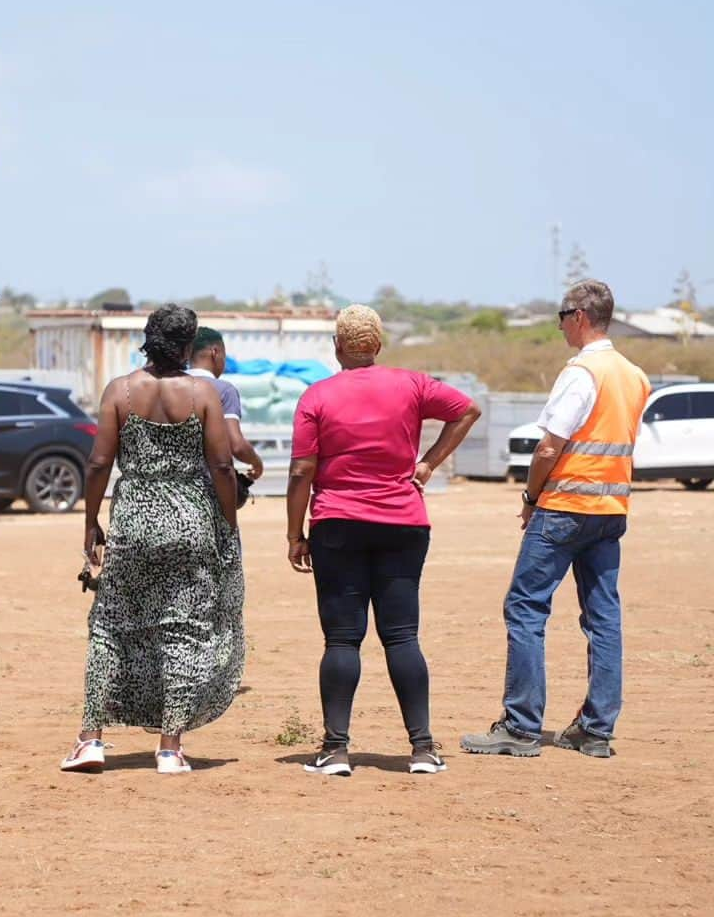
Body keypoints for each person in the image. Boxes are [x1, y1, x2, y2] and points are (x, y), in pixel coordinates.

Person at [286, 304, 480, 776]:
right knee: (402, 636)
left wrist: (296, 534)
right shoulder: (411, 384)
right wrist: (429, 462)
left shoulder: (318, 396)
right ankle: (422, 749)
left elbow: (301, 470)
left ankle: (335, 750)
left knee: (342, 640)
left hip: (338, 524)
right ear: (378, 346)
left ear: (337, 347)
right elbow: (467, 409)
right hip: (403, 523)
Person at [461, 280, 650, 759]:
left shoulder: (583, 372)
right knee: (603, 618)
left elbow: (550, 445)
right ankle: (596, 729)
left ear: (580, 317)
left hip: (565, 506)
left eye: (563, 315)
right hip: (610, 511)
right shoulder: (634, 375)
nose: (561, 324)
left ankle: (521, 725)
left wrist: (530, 495)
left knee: (525, 607)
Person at [60, 304, 245, 775]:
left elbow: (99, 463)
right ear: (188, 346)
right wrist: (228, 523)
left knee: (110, 626)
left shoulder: (120, 391)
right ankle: (170, 748)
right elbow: (223, 467)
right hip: (191, 522)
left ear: (146, 339)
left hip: (134, 522)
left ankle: (90, 740)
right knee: (183, 629)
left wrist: (90, 522)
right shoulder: (203, 393)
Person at [187, 327, 265, 483]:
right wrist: (256, 462)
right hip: (206, 488)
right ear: (215, 352)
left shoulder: (169, 386)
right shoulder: (224, 390)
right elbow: (236, 444)